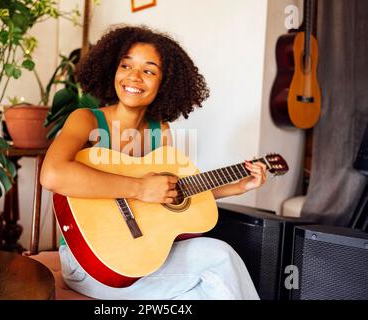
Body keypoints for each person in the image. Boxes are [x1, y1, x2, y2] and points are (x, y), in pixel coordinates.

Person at [40, 25, 267, 300]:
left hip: (142, 256)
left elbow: (169, 194)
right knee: (219, 257)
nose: (134, 77)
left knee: (201, 294)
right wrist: (138, 188)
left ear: (164, 83)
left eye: (149, 70)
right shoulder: (85, 120)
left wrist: (236, 187)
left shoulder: (160, 131)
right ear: (112, 69)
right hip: (91, 261)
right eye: (126, 65)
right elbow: (52, 175)